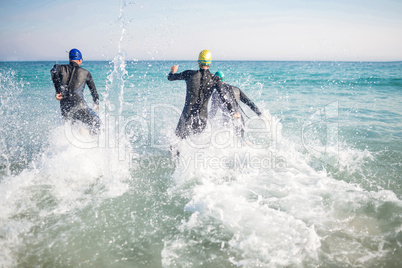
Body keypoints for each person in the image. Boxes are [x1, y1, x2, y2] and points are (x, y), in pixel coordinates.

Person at [168, 50, 235, 139]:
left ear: (199, 62)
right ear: (210, 63)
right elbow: (223, 96)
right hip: (202, 118)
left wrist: (172, 71)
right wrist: (233, 112)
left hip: (187, 115)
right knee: (194, 143)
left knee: (177, 141)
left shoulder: (189, 74)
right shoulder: (215, 79)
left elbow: (170, 78)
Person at [51, 48, 101, 134]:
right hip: (79, 105)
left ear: (70, 59)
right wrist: (96, 103)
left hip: (65, 107)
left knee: (72, 129)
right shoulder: (86, 73)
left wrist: (58, 91)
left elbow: (53, 71)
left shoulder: (60, 67)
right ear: (80, 60)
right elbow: (94, 92)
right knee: (97, 123)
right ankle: (92, 143)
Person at [209, 70, 263, 139]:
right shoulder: (236, 89)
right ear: (224, 79)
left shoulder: (216, 94)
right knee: (240, 143)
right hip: (240, 121)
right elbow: (249, 103)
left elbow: (213, 112)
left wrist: (205, 121)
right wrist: (260, 114)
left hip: (229, 123)